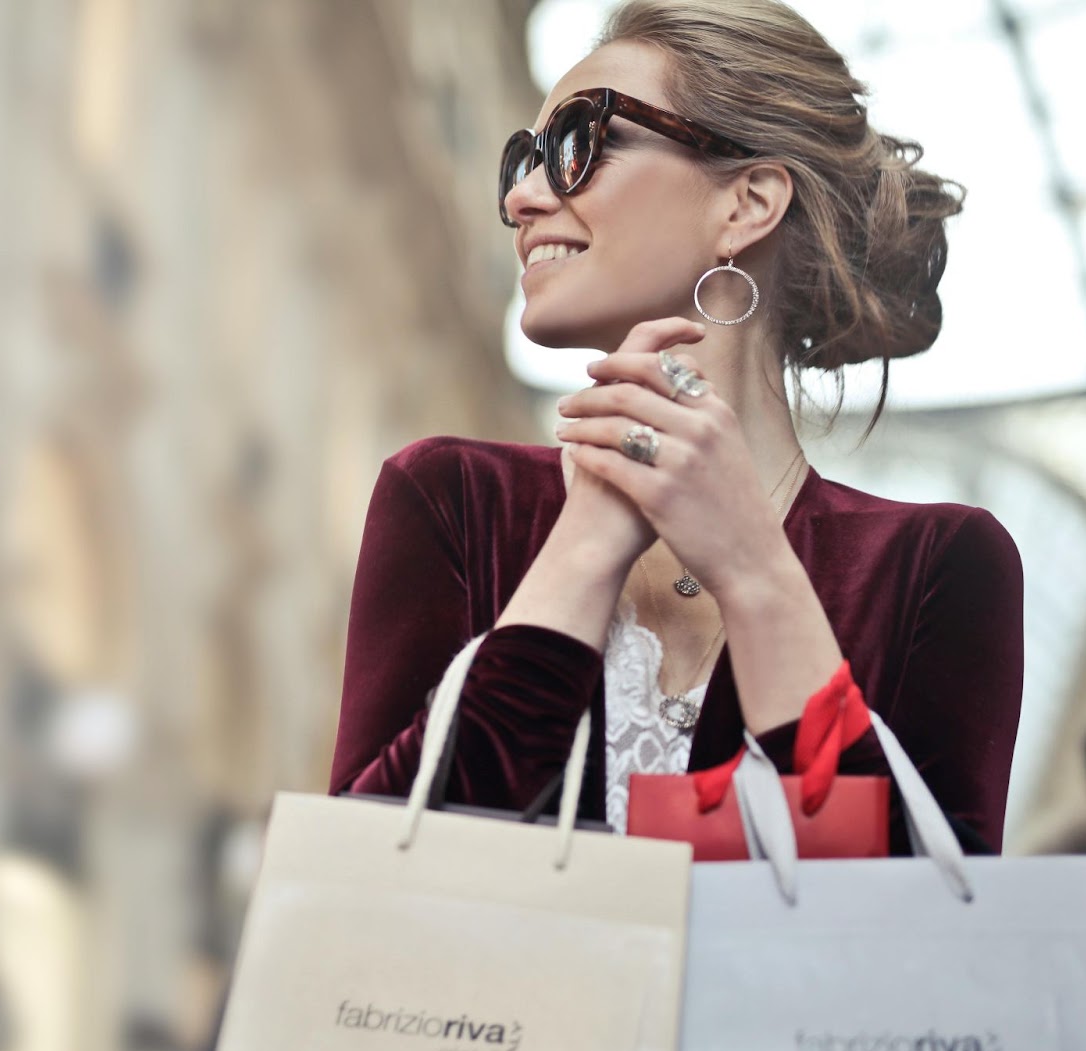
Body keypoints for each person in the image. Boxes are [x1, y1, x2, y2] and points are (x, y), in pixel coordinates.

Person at [329, 0, 1023, 854]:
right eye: (522, 158)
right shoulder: (453, 501)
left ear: (748, 203)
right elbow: (368, 871)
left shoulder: (938, 565)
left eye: (580, 141)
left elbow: (917, 932)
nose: (521, 195)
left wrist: (755, 573)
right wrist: (584, 546)